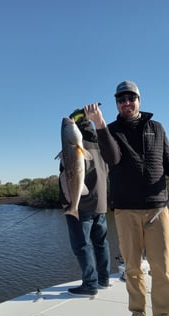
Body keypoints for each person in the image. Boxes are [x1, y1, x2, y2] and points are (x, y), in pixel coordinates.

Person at [84, 81, 169, 316]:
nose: (127, 103)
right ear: (116, 104)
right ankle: (137, 314)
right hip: (125, 210)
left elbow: (168, 163)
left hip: (157, 208)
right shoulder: (110, 130)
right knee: (133, 268)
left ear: (139, 99)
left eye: (131, 98)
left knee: (162, 268)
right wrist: (100, 125)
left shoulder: (156, 128)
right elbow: (112, 159)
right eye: (121, 99)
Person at [59, 108, 110, 297]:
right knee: (101, 243)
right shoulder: (102, 146)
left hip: (81, 204)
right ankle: (103, 279)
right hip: (101, 204)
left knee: (82, 245)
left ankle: (90, 284)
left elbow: (66, 174)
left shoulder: (76, 148)